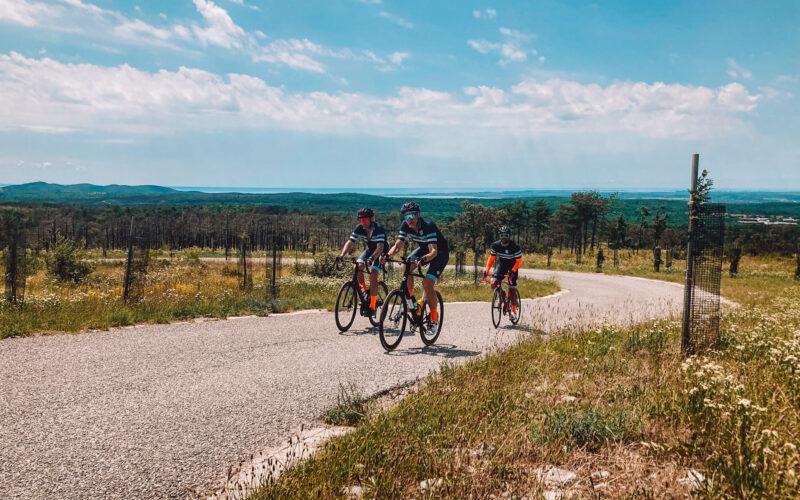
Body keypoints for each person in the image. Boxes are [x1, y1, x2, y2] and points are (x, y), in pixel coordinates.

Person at [384, 201, 449, 335]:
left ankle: (434, 319)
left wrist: (423, 260)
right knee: (407, 267)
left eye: (412, 216)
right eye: (406, 217)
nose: (409, 220)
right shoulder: (405, 225)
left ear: (418, 214)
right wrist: (387, 255)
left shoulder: (428, 226)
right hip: (423, 249)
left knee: (427, 283)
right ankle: (411, 301)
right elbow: (397, 246)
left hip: (439, 253)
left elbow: (433, 252)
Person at [336, 207, 386, 314]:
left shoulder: (379, 228)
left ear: (371, 219)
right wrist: (341, 255)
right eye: (361, 220)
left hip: (380, 251)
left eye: (365, 220)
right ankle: (364, 293)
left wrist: (372, 259)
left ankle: (372, 305)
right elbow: (350, 242)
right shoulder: (359, 228)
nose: (363, 222)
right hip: (370, 250)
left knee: (373, 275)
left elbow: (380, 247)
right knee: (356, 268)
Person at [484, 225, 523, 313]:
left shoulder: (515, 246)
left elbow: (519, 261)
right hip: (502, 265)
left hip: (513, 266)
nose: (504, 238)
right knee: (493, 283)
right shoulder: (496, 245)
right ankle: (501, 295)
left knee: (512, 289)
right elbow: (491, 259)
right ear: (499, 236)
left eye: (506, 235)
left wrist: (513, 271)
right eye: (502, 235)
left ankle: (513, 311)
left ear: (510, 236)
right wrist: (486, 270)